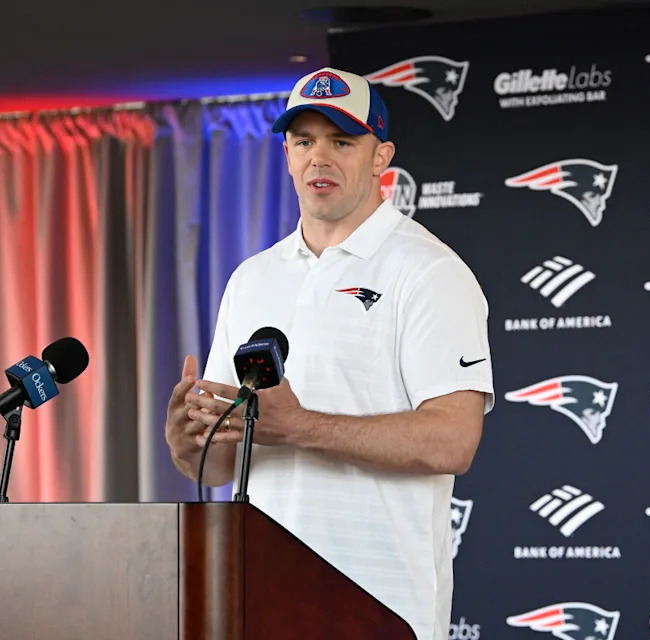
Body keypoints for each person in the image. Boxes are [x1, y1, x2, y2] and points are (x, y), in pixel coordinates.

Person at [164, 67, 494, 640]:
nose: (320, 157)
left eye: (342, 141)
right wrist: (186, 447)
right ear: (287, 156)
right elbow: (220, 461)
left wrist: (298, 427)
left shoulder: (429, 271)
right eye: (304, 141)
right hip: (260, 602)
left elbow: (453, 440)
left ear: (380, 156)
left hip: (381, 607)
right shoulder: (252, 278)